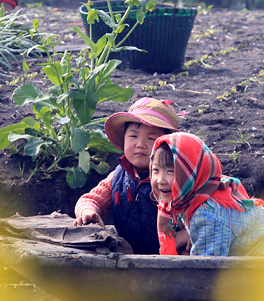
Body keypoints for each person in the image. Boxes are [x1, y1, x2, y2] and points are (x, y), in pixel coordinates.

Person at [73, 97, 186, 254]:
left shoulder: (179, 178)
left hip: (172, 257)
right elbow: (90, 199)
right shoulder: (118, 176)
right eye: (133, 136)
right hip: (128, 256)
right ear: (124, 138)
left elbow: (202, 210)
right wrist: (88, 212)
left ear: (167, 146)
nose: (140, 144)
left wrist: (188, 233)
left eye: (151, 138)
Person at [149, 132, 264, 256]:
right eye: (156, 170)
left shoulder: (206, 215)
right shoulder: (201, 187)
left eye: (171, 171)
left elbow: (206, 269)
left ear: (190, 173)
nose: (160, 180)